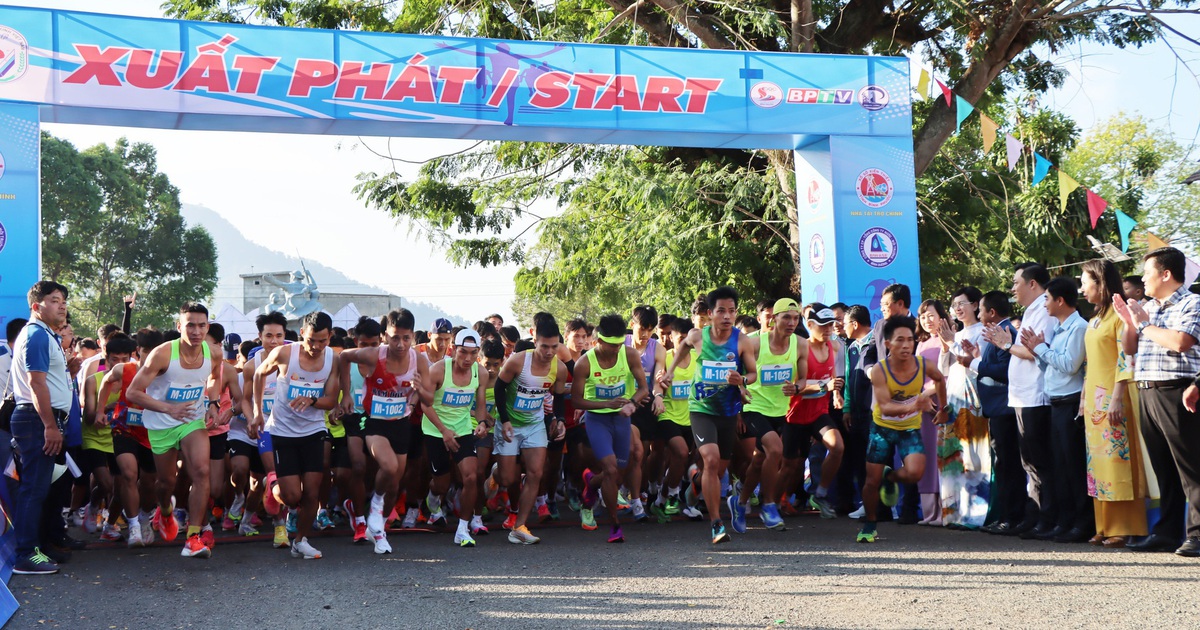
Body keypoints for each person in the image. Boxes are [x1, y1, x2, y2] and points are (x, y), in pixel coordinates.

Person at [1114, 247, 1200, 557]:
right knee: (1162, 468)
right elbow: (1130, 349)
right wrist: (1128, 321)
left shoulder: (1192, 302)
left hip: (1177, 390)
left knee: (1190, 467)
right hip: (1146, 388)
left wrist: (1143, 324)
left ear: (1166, 274)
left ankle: (1197, 535)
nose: (1144, 280)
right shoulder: (1147, 308)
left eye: (1148, 273)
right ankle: (1165, 532)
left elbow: (1180, 343)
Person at [126, 302, 225, 559]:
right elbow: (133, 393)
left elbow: (215, 377)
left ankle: (192, 538)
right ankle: (165, 510)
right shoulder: (161, 354)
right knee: (166, 482)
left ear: (207, 327)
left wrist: (212, 402)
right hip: (161, 424)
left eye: (201, 325)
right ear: (179, 326)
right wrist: (168, 409)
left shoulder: (213, 352)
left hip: (192, 420)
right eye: (190, 325)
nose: (196, 331)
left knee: (201, 471)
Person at [663, 286, 758, 544]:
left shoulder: (741, 341)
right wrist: (669, 373)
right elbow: (682, 348)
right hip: (701, 409)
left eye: (732, 311)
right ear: (710, 313)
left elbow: (753, 373)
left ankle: (694, 486)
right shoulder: (698, 336)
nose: (727, 316)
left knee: (716, 470)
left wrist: (742, 380)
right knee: (712, 459)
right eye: (721, 311)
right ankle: (716, 524)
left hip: (728, 411)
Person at [340, 308, 430, 555]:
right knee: (389, 467)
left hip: (401, 423)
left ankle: (378, 529)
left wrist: (420, 391)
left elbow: (430, 399)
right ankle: (376, 510)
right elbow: (344, 358)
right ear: (384, 336)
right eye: (394, 338)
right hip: (375, 422)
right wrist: (346, 393)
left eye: (406, 338)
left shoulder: (419, 360)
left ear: (413, 336)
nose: (400, 344)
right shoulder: (373, 356)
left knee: (394, 483)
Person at [253, 311, 341, 559]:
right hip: (282, 431)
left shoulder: (333, 359)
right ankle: (272, 486)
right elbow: (259, 374)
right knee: (292, 496)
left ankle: (300, 540)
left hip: (313, 431)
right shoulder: (284, 354)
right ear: (302, 333)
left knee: (312, 492)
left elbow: (331, 399)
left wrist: (312, 400)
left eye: (322, 341)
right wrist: (258, 412)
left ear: (330, 336)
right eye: (311, 340)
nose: (316, 346)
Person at [858, 315, 948, 543]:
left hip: (909, 429)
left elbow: (939, 379)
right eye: (900, 340)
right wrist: (914, 403)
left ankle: (891, 477)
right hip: (882, 428)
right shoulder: (880, 370)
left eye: (910, 340)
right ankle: (869, 524)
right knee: (871, 481)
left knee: (915, 473)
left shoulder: (923, 365)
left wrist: (944, 408)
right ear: (888, 344)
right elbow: (886, 407)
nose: (906, 345)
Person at [1079, 259, 1148, 548]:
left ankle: (1125, 526)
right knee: (1098, 465)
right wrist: (1084, 397)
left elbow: (1125, 357)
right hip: (1094, 399)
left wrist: (1118, 396)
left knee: (1118, 460)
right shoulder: (1096, 317)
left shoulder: (1119, 315)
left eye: (1085, 282)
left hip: (1114, 397)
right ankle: (1104, 525)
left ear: (1100, 282)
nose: (1081, 288)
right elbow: (1091, 361)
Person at [989, 262, 1057, 539]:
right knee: (1029, 462)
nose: (1012, 288)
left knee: (1039, 462)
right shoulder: (1032, 310)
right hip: (1021, 396)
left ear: (1032, 284)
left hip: (1036, 396)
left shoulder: (1044, 309)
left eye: (1016, 282)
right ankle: (1034, 517)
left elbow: (1035, 352)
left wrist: (1005, 344)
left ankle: (1045, 518)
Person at [1022, 277, 1091, 543]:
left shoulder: (1078, 328)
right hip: (1056, 402)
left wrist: (1040, 348)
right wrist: (1039, 352)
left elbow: (1070, 365)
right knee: (1060, 468)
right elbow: (1051, 365)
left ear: (1061, 300)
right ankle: (1066, 521)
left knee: (1073, 467)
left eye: (1048, 299)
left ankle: (1082, 523)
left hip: (1071, 402)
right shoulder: (1061, 328)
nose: (1046, 305)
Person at [10, 281, 72, 575]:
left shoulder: (46, 334)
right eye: (55, 300)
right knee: (33, 490)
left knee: (44, 488)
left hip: (43, 421)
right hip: (37, 421)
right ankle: (25, 555)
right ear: (37, 306)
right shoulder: (36, 334)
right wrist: (49, 425)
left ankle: (41, 545)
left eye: (63, 300)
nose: (62, 305)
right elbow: (36, 383)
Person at [573, 314, 650, 543]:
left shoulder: (629, 354)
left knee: (619, 471)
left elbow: (644, 388)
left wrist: (632, 403)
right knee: (610, 467)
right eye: (612, 345)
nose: (617, 349)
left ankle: (590, 487)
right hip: (597, 419)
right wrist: (605, 404)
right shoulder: (584, 363)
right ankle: (615, 525)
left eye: (620, 344)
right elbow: (576, 401)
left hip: (621, 418)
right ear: (598, 341)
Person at [493, 318, 568, 545]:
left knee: (536, 473)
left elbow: (559, 396)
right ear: (535, 341)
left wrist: (559, 419)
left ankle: (519, 526)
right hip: (509, 424)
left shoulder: (560, 368)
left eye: (554, 347)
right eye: (544, 346)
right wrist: (504, 420)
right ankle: (495, 474)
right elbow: (498, 387)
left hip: (535, 424)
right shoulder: (518, 362)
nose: (548, 352)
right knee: (508, 478)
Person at [421, 329, 490, 547]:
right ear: (453, 350)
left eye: (473, 353)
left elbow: (480, 408)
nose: (467, 358)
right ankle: (432, 500)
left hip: (462, 430)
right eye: (463, 352)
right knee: (442, 484)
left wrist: (481, 424)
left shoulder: (480, 373)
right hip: (435, 431)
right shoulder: (438, 370)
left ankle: (462, 528)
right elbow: (425, 404)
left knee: (471, 477)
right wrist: (443, 431)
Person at [970, 292, 1025, 535]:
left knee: (1008, 465)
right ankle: (1004, 515)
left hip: (1005, 409)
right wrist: (977, 357)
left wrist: (972, 364)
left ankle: (1012, 518)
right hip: (997, 409)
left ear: (992, 312)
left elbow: (1005, 370)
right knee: (1003, 465)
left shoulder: (1006, 333)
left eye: (980, 310)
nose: (979, 315)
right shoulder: (997, 333)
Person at [782, 305, 843, 520]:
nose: (828, 330)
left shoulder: (833, 347)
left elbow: (831, 376)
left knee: (837, 447)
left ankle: (820, 493)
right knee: (792, 464)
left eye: (831, 325)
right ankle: (779, 499)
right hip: (795, 414)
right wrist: (822, 387)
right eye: (823, 326)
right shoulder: (801, 349)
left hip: (818, 413)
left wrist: (835, 394)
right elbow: (795, 387)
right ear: (809, 326)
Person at [940, 287, 991, 530]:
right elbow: (946, 369)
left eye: (963, 303)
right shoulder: (956, 334)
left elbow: (973, 364)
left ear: (975, 304)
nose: (958, 308)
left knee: (973, 456)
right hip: (954, 398)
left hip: (972, 402)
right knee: (953, 456)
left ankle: (976, 515)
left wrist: (952, 343)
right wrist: (947, 344)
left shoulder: (982, 331)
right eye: (955, 305)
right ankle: (953, 512)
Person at [241, 311, 291, 548]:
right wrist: (253, 418)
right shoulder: (252, 366)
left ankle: (279, 523)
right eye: (268, 335)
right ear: (259, 336)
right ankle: (273, 525)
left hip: (290, 428)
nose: (274, 341)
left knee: (270, 481)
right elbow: (243, 399)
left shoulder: (294, 357)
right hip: (265, 427)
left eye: (279, 335)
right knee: (269, 478)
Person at [624, 305, 663, 523]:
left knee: (643, 455)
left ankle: (632, 491)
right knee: (635, 451)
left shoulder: (658, 349)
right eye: (642, 328)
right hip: (626, 406)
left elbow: (658, 378)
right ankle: (635, 501)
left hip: (647, 406)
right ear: (633, 325)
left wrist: (658, 396)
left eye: (650, 329)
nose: (646, 333)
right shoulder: (622, 345)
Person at [837, 305, 877, 519]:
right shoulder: (851, 347)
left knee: (875, 460)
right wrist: (847, 408)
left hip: (873, 411)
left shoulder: (876, 343)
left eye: (844, 323)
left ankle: (882, 505)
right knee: (860, 459)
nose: (841, 328)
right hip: (857, 413)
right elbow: (848, 378)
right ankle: (866, 502)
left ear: (855, 324)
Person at [914, 300, 949, 524]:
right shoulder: (921, 344)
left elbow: (947, 375)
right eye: (923, 316)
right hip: (923, 407)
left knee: (941, 457)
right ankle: (929, 513)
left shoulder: (948, 340)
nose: (927, 320)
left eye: (931, 315)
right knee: (925, 456)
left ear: (941, 317)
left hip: (940, 404)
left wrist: (927, 395)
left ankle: (944, 511)